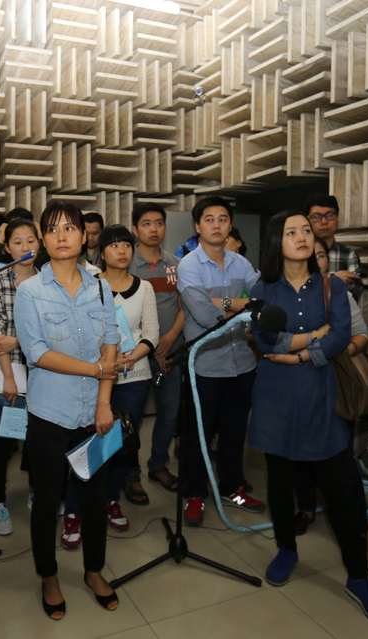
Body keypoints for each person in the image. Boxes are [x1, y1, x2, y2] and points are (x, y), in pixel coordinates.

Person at [249, 210, 368, 628]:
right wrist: (314, 336)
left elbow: (341, 336)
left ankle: (358, 576)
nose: (302, 237)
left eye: (306, 231)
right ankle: (286, 550)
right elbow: (263, 338)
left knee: (342, 492)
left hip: (321, 396)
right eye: (291, 232)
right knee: (280, 483)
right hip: (276, 398)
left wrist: (298, 354)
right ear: (276, 242)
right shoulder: (262, 288)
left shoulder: (332, 286)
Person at [14, 200, 122, 620]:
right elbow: (38, 353)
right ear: (43, 239)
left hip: (94, 415)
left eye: (70, 228)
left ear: (84, 237)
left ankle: (94, 570)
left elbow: (111, 343)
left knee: (95, 499)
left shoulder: (100, 287)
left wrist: (103, 403)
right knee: (47, 502)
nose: (62, 236)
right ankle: (48, 575)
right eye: (53, 229)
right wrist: (96, 370)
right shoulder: (30, 291)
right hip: (49, 416)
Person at [176, 196, 264, 526]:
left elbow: (261, 301)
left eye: (223, 219)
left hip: (242, 364)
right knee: (198, 435)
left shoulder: (242, 264)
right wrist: (240, 305)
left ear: (230, 225)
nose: (216, 225)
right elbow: (204, 314)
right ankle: (195, 493)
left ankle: (231, 487)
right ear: (198, 226)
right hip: (205, 366)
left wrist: (224, 302)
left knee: (234, 433)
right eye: (209, 219)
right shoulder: (189, 266)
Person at [292, 238, 368, 536]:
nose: (316, 259)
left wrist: (340, 350)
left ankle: (355, 523)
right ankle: (306, 508)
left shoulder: (339, 293)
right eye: (309, 253)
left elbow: (362, 335)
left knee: (340, 456)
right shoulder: (282, 294)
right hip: (297, 384)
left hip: (334, 383)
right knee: (299, 453)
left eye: (321, 254)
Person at [98, 224, 159, 527]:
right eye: (113, 245)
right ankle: (88, 500)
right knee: (97, 440)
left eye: (126, 245)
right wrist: (109, 360)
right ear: (101, 252)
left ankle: (111, 498)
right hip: (98, 375)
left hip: (136, 375)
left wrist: (132, 357)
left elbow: (152, 333)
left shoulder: (144, 287)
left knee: (124, 442)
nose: (121, 251)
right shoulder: (90, 287)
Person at [0, 218, 40, 535]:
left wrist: (18, 340)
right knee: (3, 440)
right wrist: (9, 378)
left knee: (37, 438)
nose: (25, 247)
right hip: (8, 371)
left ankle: (36, 488)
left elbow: (50, 331)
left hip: (43, 372)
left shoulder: (48, 280)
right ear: (6, 247)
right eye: (18, 242)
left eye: (31, 240)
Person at [129, 203, 183, 493]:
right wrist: (150, 345)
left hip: (171, 352)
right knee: (131, 419)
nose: (154, 229)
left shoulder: (177, 265)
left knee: (169, 414)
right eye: (146, 223)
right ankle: (129, 474)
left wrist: (170, 338)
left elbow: (184, 306)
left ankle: (158, 465)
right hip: (136, 354)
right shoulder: (126, 263)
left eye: (159, 223)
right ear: (135, 229)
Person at [304, 193, 363, 302]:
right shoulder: (301, 252)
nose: (324, 221)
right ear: (308, 220)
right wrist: (332, 280)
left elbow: (352, 297)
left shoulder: (349, 254)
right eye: (316, 217)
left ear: (337, 218)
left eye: (330, 215)